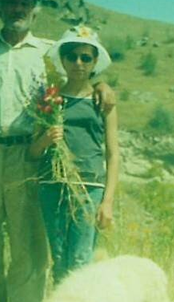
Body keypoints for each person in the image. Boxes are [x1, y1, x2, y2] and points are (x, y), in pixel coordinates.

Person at [0, 0, 116, 302]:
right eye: (10, 2)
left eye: (24, 4)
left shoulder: (49, 55)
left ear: (35, 10)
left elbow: (81, 81)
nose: (17, 9)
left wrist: (105, 86)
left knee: (29, 240)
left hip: (30, 156)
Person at [30, 26, 119, 282]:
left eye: (86, 57)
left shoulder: (104, 101)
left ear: (94, 62)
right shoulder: (50, 99)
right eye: (72, 56)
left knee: (81, 258)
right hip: (53, 184)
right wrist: (46, 139)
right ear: (63, 60)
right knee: (59, 256)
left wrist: (108, 201)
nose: (78, 63)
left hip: (89, 185)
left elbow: (113, 154)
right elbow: (32, 153)